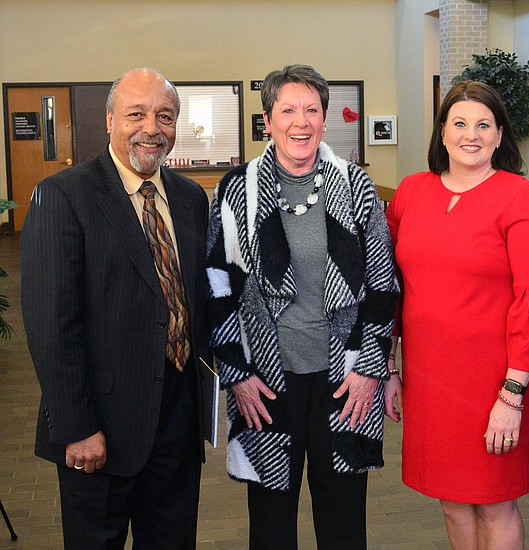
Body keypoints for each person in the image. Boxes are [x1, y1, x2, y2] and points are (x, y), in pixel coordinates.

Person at [205, 64, 399, 549]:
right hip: (265, 386)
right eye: (287, 110)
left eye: (312, 110)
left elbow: (382, 284)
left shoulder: (355, 186)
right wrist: (237, 374)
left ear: (325, 120)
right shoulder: (235, 190)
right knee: (271, 524)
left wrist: (371, 369)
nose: (301, 121)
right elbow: (217, 286)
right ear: (267, 121)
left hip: (347, 381)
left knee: (343, 521)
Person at [20, 68, 211, 549]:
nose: (151, 127)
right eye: (135, 114)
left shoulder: (190, 199)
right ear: (109, 121)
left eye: (164, 116)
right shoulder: (64, 196)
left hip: (176, 425)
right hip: (99, 430)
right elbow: (50, 326)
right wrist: (78, 426)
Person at [385, 80, 529, 549]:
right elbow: (390, 286)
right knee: (452, 499)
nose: (471, 134)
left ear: (500, 135)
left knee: (494, 501)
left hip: (495, 382)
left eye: (484, 125)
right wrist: (389, 366)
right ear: (442, 132)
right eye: (459, 123)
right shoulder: (411, 193)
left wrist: (513, 395)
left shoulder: (523, 200)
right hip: (430, 377)